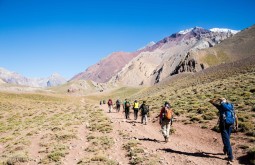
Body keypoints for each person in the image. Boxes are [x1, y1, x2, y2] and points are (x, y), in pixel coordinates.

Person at [209, 98, 238, 164]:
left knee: (226, 141)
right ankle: (225, 150)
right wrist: (236, 125)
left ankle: (230, 157)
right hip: (231, 124)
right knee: (227, 138)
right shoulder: (231, 106)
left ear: (221, 102)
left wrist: (217, 99)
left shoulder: (221, 107)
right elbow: (235, 116)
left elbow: (211, 101)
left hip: (224, 125)